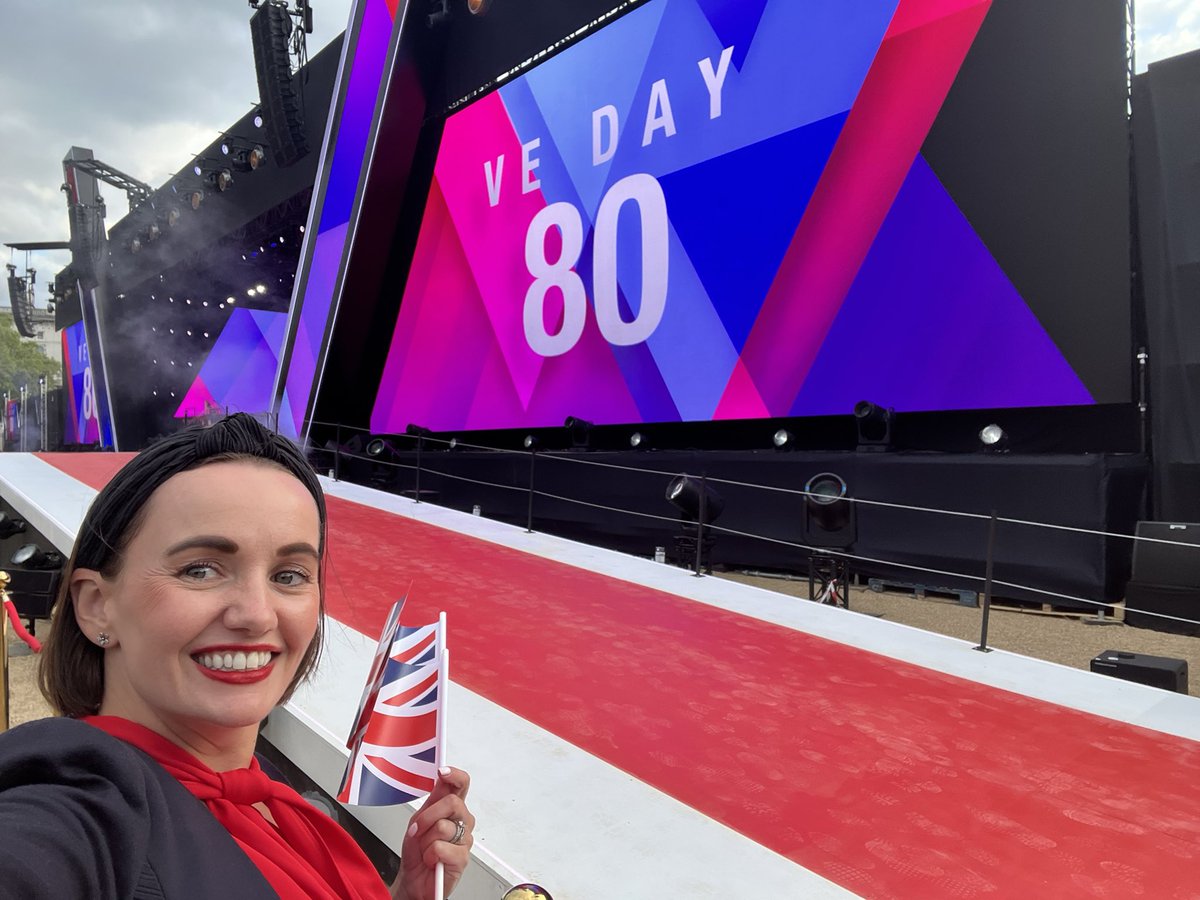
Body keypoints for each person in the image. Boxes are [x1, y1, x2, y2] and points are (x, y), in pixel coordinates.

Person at [0, 413, 474, 898]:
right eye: (201, 570)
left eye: (289, 575)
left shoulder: (271, 796)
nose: (256, 614)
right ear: (97, 606)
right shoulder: (75, 809)